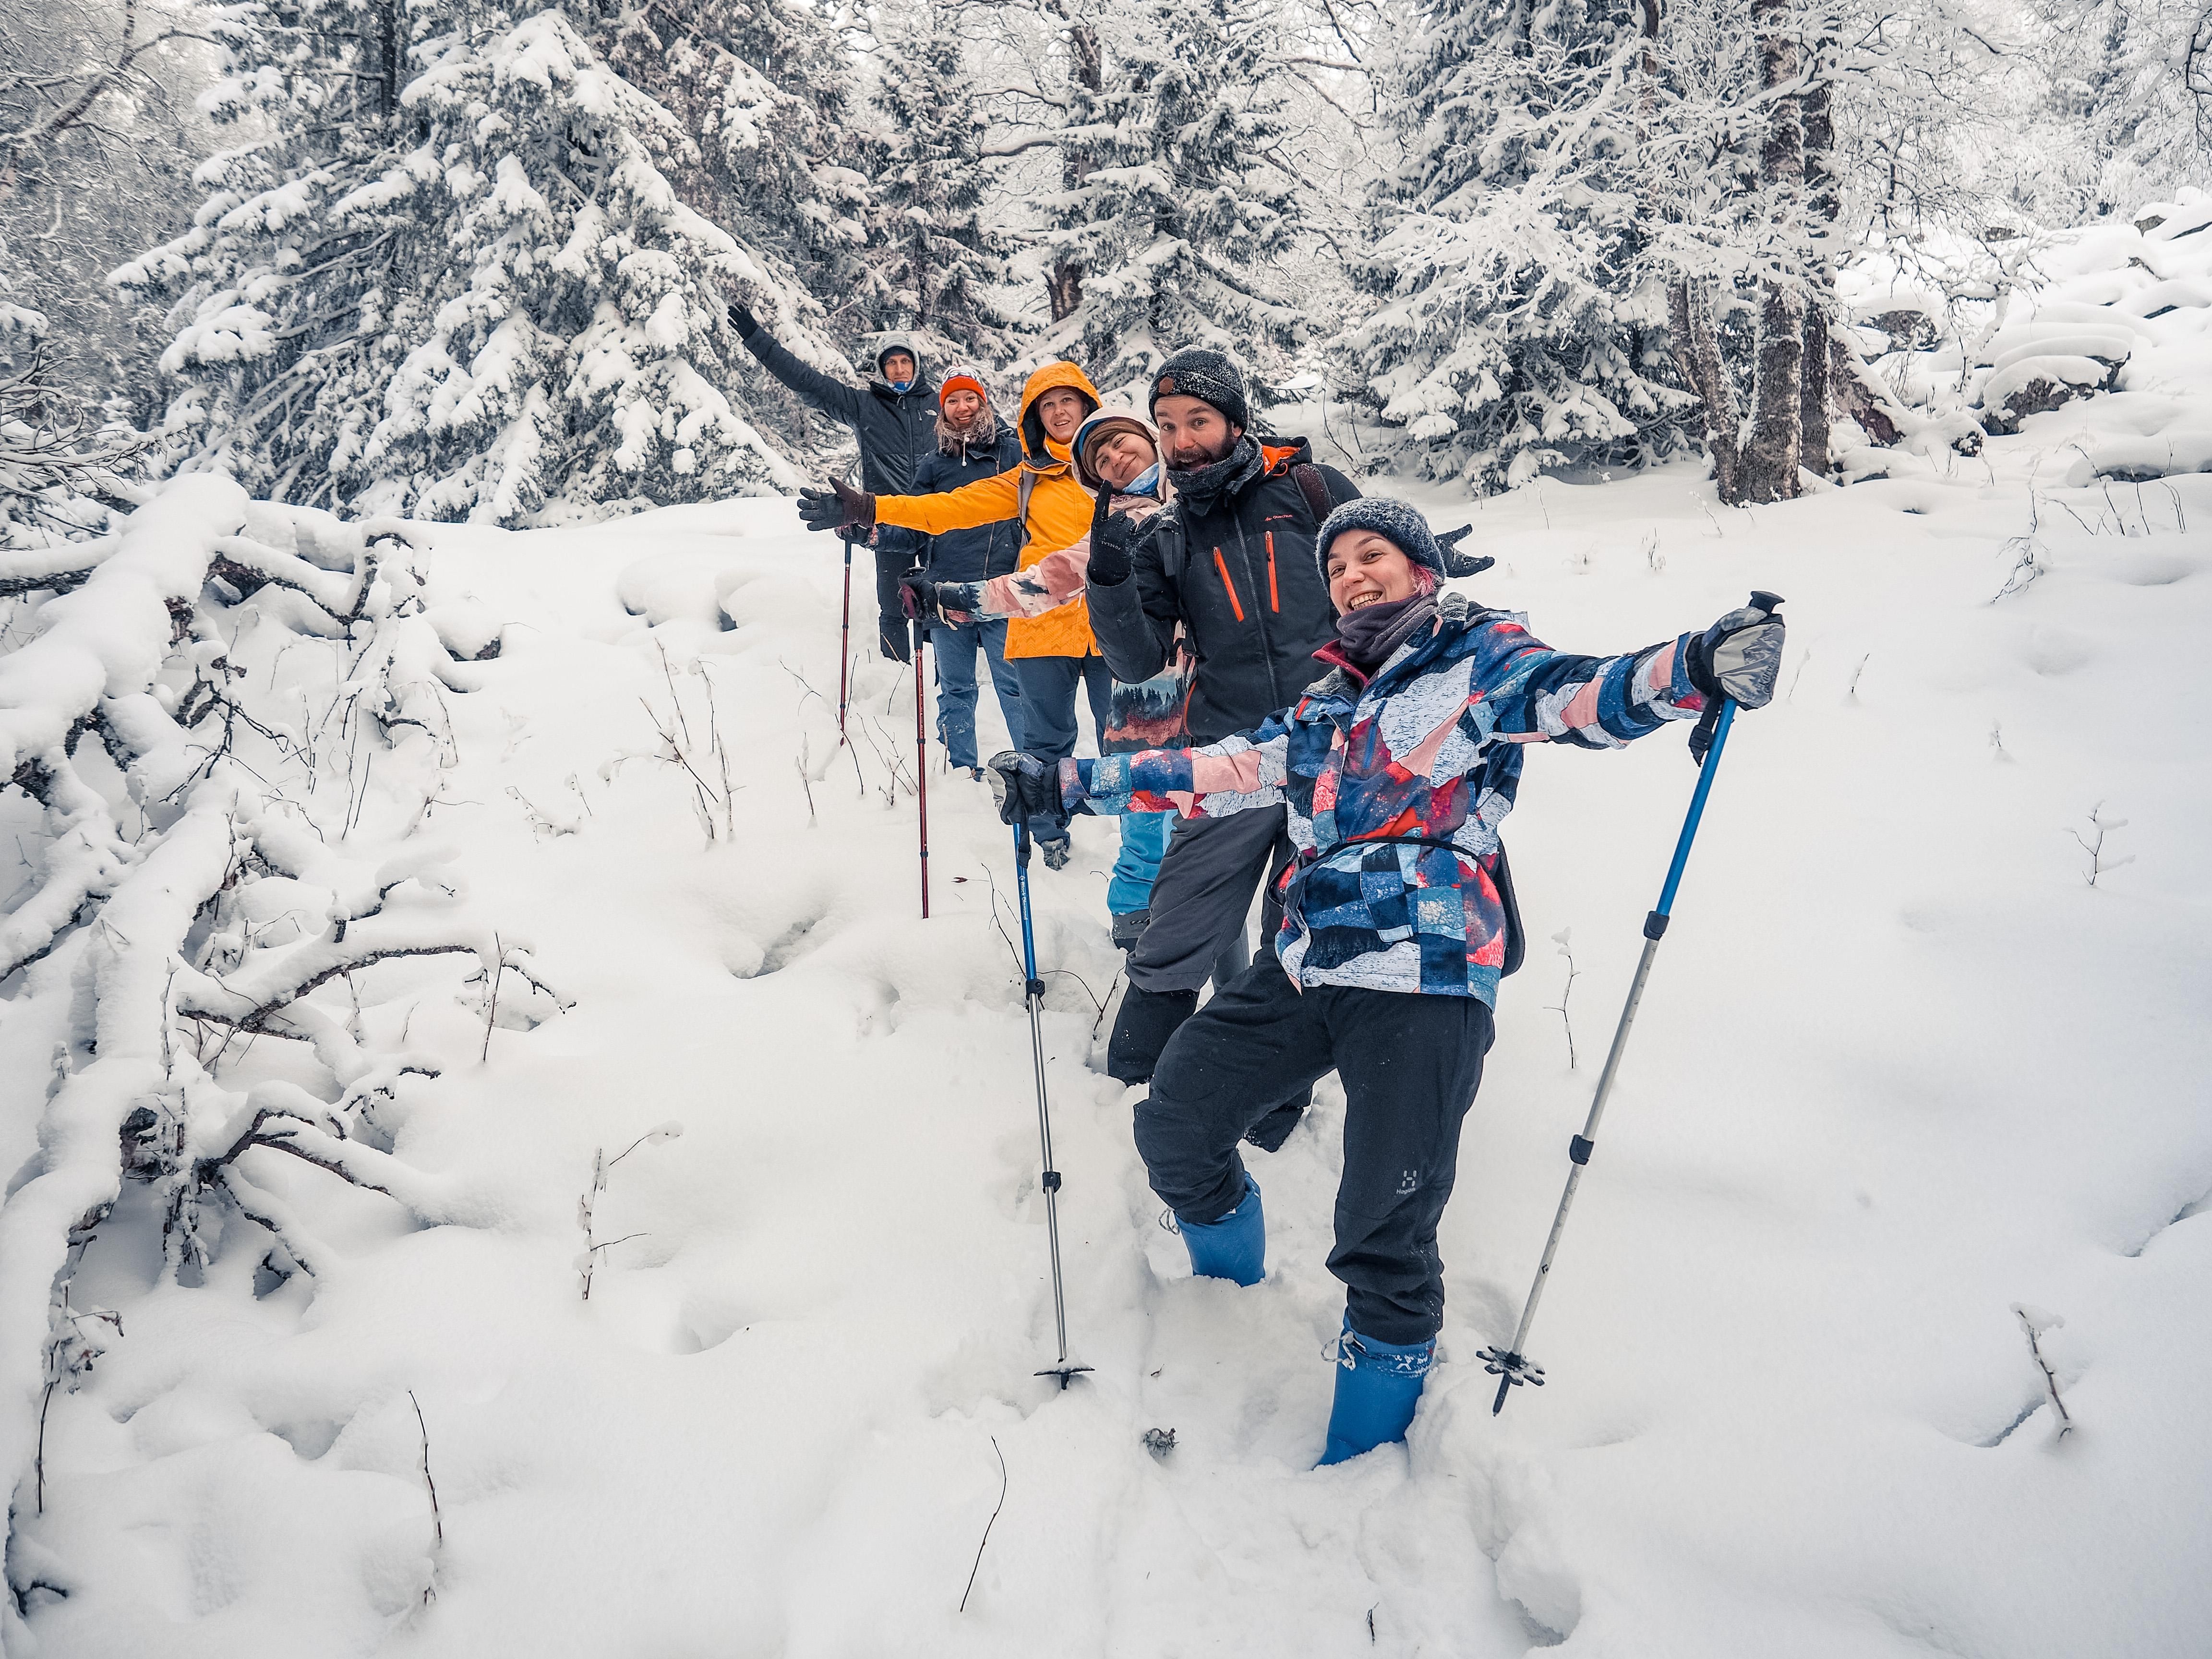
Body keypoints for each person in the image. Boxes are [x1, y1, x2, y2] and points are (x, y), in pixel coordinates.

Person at [988, 499, 1787, 1464]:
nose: (1352, 576)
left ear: (1420, 572)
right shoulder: (1326, 704)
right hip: (1312, 957)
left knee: (1383, 1230)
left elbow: (1577, 697)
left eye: (1374, 556)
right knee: (1178, 1118)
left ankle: (1362, 1461)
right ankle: (1226, 1297)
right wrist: (1066, 784)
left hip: (1426, 965)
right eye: (1337, 568)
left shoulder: (1474, 655)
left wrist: (1694, 668)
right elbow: (1217, 767)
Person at [1083, 349, 1365, 1089]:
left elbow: (1379, 578)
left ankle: (1276, 1102)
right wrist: (1108, 581)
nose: (1180, 441)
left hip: (1332, 750)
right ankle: (1135, 1090)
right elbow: (1136, 662)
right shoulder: (1167, 532)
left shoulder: (1309, 489)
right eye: (1167, 425)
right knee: (1177, 927)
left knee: (1297, 932)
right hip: (1229, 754)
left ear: (1235, 420)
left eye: (1197, 421)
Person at [901, 408, 1199, 953]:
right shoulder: (1115, 530)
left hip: (1221, 675)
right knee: (1144, 792)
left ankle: (1205, 905)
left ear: (1150, 436)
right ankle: (1135, 905)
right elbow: (1041, 582)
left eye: (1119, 443)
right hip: (1148, 685)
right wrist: (952, 600)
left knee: (1223, 798)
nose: (1115, 459)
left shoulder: (1206, 493)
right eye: (1100, 461)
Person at [797, 362, 1110, 869]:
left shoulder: (1118, 466)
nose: (1058, 413)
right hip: (1033, 620)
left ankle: (1147, 856)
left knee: (1130, 742)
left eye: (1067, 401)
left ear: (1088, 405)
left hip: (1108, 628)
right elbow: (942, 510)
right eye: (1047, 405)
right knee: (1042, 741)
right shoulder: (1024, 478)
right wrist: (872, 513)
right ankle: (1046, 828)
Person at [726, 300, 936, 661]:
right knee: (893, 605)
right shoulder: (865, 406)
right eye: (892, 363)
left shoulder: (940, 404)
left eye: (905, 362)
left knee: (941, 602)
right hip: (887, 520)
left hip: (938, 519)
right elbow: (808, 382)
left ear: (916, 366)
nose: (899, 369)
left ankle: (942, 674)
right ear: (882, 369)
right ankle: (896, 676)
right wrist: (757, 340)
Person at [877, 367, 1027, 777]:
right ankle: (962, 771)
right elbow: (913, 524)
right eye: (953, 401)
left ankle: (1035, 769)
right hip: (945, 596)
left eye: (970, 399)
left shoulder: (1012, 454)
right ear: (942, 409)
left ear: (984, 402)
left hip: (1002, 593)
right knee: (956, 690)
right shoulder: (933, 466)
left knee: (1015, 688)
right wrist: (871, 530)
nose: (962, 408)